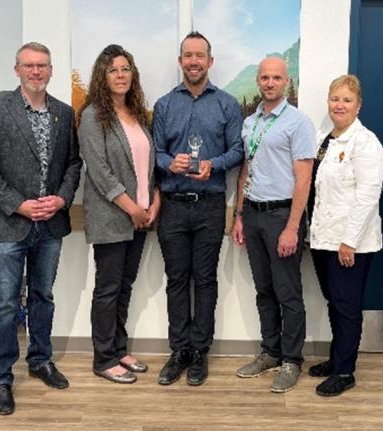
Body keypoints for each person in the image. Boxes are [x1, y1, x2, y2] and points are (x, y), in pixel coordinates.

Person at [0, 42, 82, 415]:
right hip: (9, 225)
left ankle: (40, 360)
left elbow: (73, 165)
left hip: (50, 225)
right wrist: (18, 204)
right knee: (3, 304)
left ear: (51, 71)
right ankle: (1, 378)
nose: (36, 72)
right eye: (29, 66)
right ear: (16, 70)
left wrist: (62, 199)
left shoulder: (64, 115)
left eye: (42, 66)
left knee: (43, 297)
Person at [153, 31, 244, 386]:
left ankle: (200, 353)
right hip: (173, 206)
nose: (193, 61)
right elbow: (156, 151)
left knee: (205, 281)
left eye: (200, 55)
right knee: (176, 281)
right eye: (187, 55)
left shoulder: (226, 104)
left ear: (210, 61)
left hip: (209, 206)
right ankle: (180, 352)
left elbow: (238, 149)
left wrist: (215, 164)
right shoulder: (164, 105)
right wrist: (167, 164)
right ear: (180, 61)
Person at [232, 56, 315, 393]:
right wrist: (238, 215)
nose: (269, 83)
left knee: (288, 292)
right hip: (252, 214)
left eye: (275, 78)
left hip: (283, 216)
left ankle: (292, 360)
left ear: (286, 81)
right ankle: (270, 351)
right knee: (264, 290)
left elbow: (304, 177)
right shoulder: (250, 123)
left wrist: (293, 227)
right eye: (264, 77)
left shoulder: (298, 122)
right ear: (258, 81)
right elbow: (246, 170)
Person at [79, 44, 160, 385]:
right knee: (108, 289)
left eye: (126, 68)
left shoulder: (137, 114)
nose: (121, 75)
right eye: (114, 69)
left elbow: (148, 167)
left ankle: (119, 348)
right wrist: (132, 209)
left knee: (124, 286)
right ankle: (103, 358)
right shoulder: (92, 116)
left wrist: (154, 202)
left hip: (141, 217)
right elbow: (99, 171)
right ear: (102, 75)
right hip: (114, 217)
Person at [306, 75, 383, 396]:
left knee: (347, 305)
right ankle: (336, 358)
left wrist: (349, 240)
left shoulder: (366, 144)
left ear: (358, 105)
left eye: (347, 100)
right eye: (334, 99)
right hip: (323, 238)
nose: (339, 105)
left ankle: (345, 371)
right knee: (334, 302)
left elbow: (367, 196)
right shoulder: (323, 139)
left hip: (350, 243)